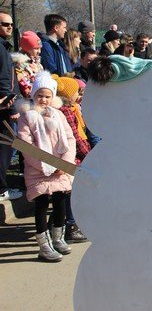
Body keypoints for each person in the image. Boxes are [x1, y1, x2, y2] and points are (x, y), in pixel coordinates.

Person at [16, 71, 75, 261]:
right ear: (33, 95)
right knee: (41, 206)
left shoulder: (58, 115)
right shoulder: (28, 117)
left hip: (59, 170)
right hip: (38, 170)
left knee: (60, 205)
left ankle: (58, 238)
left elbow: (69, 138)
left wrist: (64, 164)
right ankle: (43, 245)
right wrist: (48, 166)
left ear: (53, 97)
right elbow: (25, 145)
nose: (44, 99)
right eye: (40, 95)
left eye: (48, 96)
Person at [54, 75, 90, 243]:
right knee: (72, 193)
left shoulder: (71, 109)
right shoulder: (67, 112)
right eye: (77, 92)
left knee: (68, 194)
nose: (79, 95)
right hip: (72, 158)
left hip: (69, 158)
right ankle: (72, 226)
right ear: (68, 95)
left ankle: (61, 224)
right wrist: (88, 154)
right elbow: (75, 137)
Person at [0, 10, 21, 202]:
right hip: (4, 108)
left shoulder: (4, 48)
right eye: (5, 24)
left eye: (11, 25)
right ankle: (2, 189)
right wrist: (11, 108)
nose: (10, 28)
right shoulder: (1, 50)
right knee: (5, 149)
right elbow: (5, 81)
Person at [13, 31, 44, 98]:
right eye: (36, 48)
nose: (39, 51)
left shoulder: (37, 62)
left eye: (40, 48)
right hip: (30, 98)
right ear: (27, 48)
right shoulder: (21, 64)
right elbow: (24, 84)